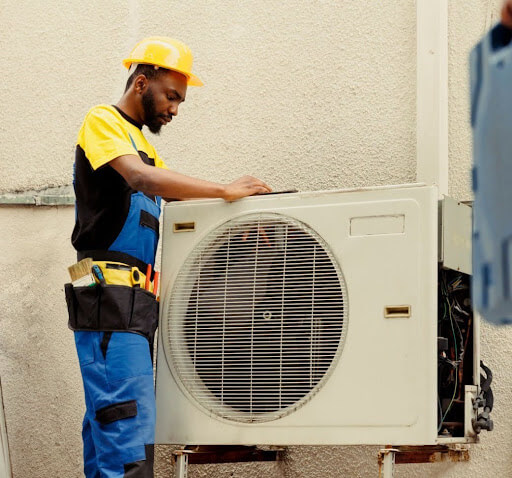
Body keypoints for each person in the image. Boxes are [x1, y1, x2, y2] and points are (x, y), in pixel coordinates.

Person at [69, 37, 271, 478]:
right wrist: (224, 189)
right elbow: (142, 179)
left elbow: (173, 201)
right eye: (171, 96)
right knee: (127, 427)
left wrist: (237, 219)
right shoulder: (103, 121)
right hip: (106, 295)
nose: (175, 109)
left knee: (108, 423)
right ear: (142, 83)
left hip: (133, 305)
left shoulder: (143, 145)